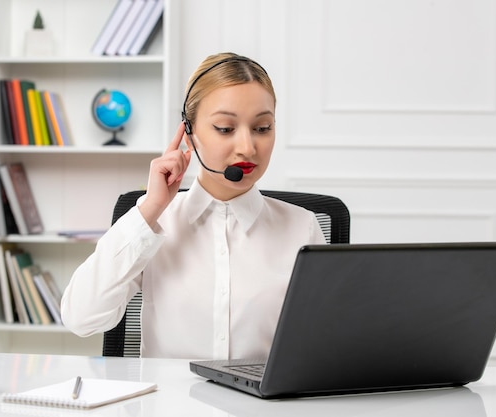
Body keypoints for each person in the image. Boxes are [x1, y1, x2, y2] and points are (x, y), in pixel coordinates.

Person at [61, 52, 326, 359]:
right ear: (189, 134)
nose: (248, 147)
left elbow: (323, 344)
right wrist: (150, 209)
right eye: (225, 129)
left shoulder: (301, 227)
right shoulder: (153, 223)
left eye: (262, 128)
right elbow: (80, 318)